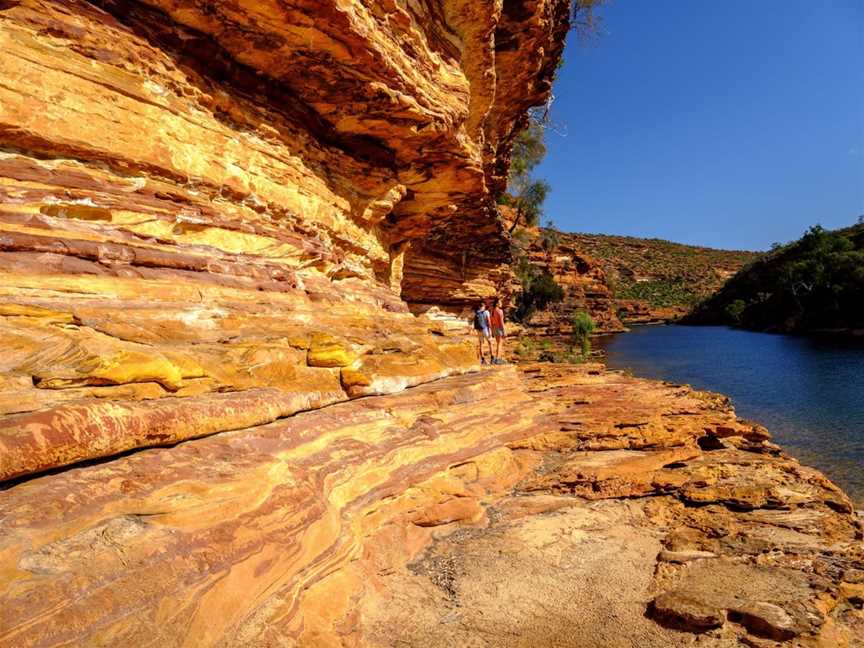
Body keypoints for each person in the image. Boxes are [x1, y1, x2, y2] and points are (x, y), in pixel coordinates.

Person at [489, 297, 506, 364]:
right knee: (500, 344)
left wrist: (492, 331)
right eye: (500, 302)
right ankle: (498, 359)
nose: (501, 303)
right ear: (497, 304)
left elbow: (491, 321)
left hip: (494, 328)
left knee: (498, 343)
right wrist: (504, 331)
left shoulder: (492, 311)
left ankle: (497, 358)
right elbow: (501, 322)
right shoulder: (500, 311)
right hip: (499, 328)